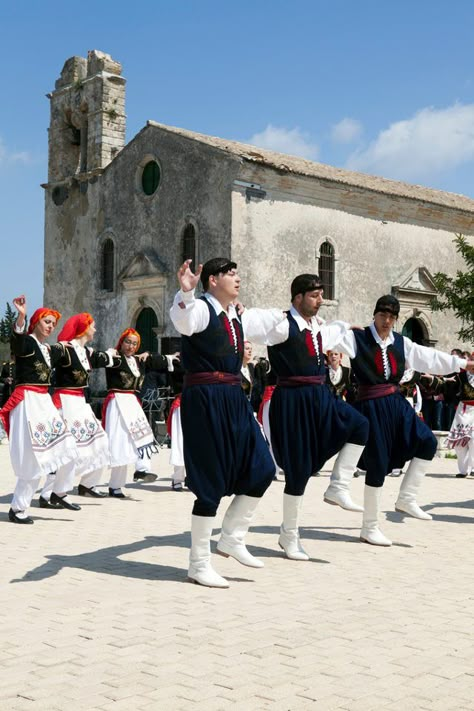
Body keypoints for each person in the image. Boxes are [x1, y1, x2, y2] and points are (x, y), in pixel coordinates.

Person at [170, 257, 286, 588]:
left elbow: (272, 322)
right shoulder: (201, 308)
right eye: (229, 274)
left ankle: (232, 536)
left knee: (263, 467)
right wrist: (186, 291)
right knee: (209, 482)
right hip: (205, 397)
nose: (237, 278)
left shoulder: (235, 315)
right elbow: (183, 321)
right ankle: (199, 563)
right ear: (212, 281)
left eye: (237, 272)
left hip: (233, 397)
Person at [339, 295, 474, 546]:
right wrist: (342, 326)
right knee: (378, 463)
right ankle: (370, 526)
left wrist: (464, 364)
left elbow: (430, 357)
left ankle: (407, 498)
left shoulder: (402, 343)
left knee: (427, 443)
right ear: (375, 314)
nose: (387, 321)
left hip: (396, 403)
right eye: (383, 315)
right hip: (370, 405)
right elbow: (326, 337)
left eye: (392, 317)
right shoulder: (357, 338)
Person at [265, 274, 369, 561]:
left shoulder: (317, 326)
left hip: (320, 395)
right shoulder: (281, 326)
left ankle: (338, 485)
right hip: (293, 399)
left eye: (322, 295)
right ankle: (289, 536)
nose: (320, 300)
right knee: (298, 473)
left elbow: (334, 332)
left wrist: (348, 326)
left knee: (360, 425)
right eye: (314, 295)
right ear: (298, 297)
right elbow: (252, 326)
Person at [0, 296, 77, 523]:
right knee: (32, 457)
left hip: (43, 401)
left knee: (65, 445)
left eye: (53, 323)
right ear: (36, 323)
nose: (51, 326)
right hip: (27, 401)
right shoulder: (28, 343)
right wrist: (21, 316)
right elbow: (17, 340)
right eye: (47, 322)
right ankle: (19, 509)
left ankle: (55, 492)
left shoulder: (47, 349)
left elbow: (67, 349)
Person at [46, 313, 117, 509]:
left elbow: (103, 358)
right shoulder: (65, 349)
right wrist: (56, 347)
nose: (95, 329)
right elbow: (45, 357)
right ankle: (54, 493)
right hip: (65, 401)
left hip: (79, 402)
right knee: (66, 448)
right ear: (84, 328)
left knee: (101, 440)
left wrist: (113, 352)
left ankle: (87, 484)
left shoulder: (86, 352)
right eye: (92, 326)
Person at [102, 328, 174, 497]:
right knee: (120, 442)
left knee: (143, 436)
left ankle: (141, 470)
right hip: (117, 401)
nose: (131, 346)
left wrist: (148, 353)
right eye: (128, 342)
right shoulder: (115, 358)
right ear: (121, 342)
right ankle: (115, 486)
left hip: (132, 403)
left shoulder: (137, 361)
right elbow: (99, 359)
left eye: (135, 344)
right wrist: (108, 353)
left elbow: (160, 360)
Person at [445, 366, 474, 477]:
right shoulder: (461, 376)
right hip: (463, 410)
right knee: (459, 443)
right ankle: (463, 470)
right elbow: (450, 391)